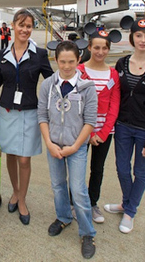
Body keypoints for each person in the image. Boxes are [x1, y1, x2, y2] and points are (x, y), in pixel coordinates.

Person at [105, 18, 145, 234]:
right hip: (123, 126)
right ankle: (126, 203)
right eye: (139, 35)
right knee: (122, 169)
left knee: (140, 172)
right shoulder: (121, 63)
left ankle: (130, 211)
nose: (143, 40)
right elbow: (113, 95)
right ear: (132, 37)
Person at [38, 40, 98, 259]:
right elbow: (42, 116)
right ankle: (63, 217)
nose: (66, 66)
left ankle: (87, 233)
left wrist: (75, 146)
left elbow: (90, 122)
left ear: (78, 60)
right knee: (57, 185)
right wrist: (49, 143)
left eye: (71, 62)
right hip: (53, 145)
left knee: (78, 189)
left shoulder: (87, 88)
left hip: (77, 146)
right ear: (56, 60)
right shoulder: (48, 85)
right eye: (62, 61)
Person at [0, 9, 53, 225]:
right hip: (7, 111)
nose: (25, 29)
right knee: (10, 154)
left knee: (24, 158)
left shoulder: (39, 54)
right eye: (21, 25)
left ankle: (23, 200)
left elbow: (50, 80)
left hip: (29, 111)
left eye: (29, 26)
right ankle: (15, 192)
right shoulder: (2, 54)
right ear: (13, 26)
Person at [77, 31, 120, 224]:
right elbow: (75, 105)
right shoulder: (79, 71)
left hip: (104, 133)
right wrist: (90, 132)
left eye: (104, 48)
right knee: (78, 167)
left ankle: (93, 202)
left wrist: (101, 134)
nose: (100, 52)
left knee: (98, 168)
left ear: (108, 50)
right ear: (89, 48)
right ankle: (75, 202)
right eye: (96, 47)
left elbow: (114, 106)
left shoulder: (113, 74)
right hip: (81, 130)